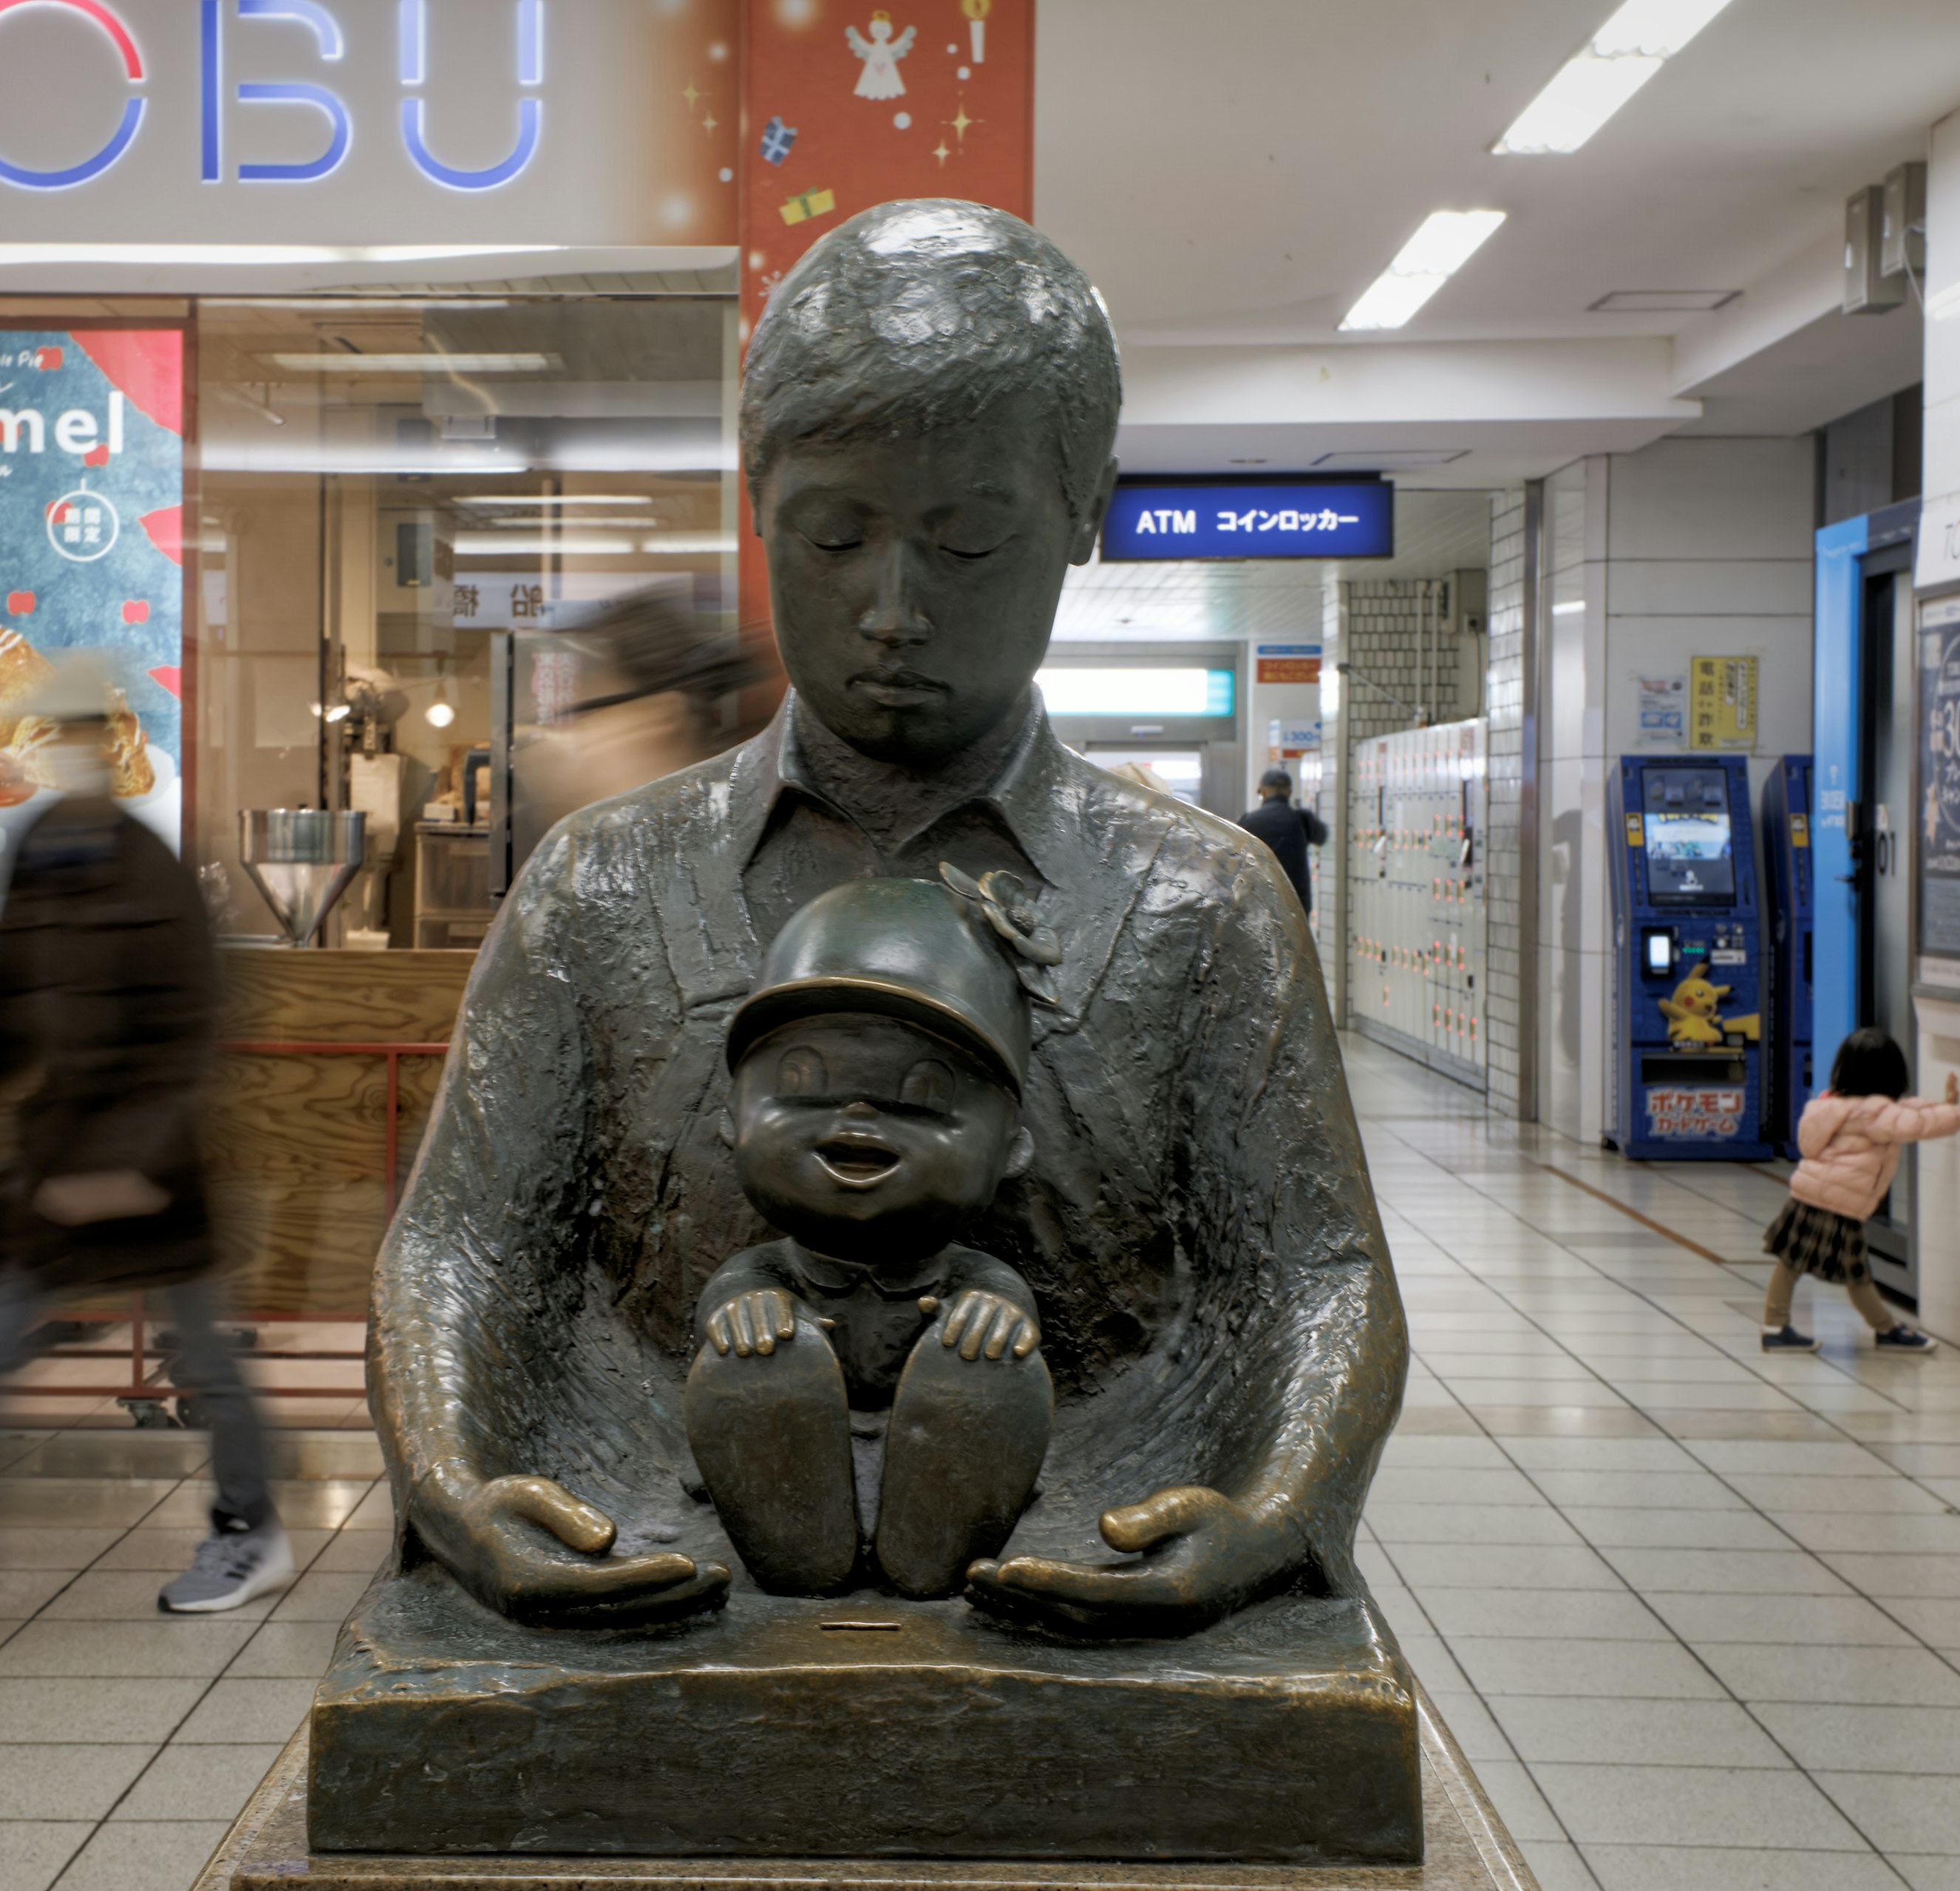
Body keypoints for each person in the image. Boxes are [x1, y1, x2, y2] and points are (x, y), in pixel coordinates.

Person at [370, 200, 1403, 1639]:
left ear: (1084, 516)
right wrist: (450, 1475)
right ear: (757, 495)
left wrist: (1283, 1506)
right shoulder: (600, 882)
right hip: (650, 1516)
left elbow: (1315, 1271)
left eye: (970, 543)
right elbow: (463, 1245)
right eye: (835, 535)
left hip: (1096, 1511)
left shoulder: (1205, 899)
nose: (893, 608)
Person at [0, 661, 282, 1668]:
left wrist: (124, 1162)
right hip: (53, 1175)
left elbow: (191, 1030)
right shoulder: (39, 854)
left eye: (77, 734)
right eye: (46, 734)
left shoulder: (151, 868)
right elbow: (0, 1002)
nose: (59, 751)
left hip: (150, 1183)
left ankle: (251, 1527)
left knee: (202, 1358)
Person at [687, 875, 1051, 1600]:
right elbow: (732, 1298)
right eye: (801, 1082)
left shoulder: (968, 1274)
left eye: (922, 1095)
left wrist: (997, 1317)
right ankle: (792, 1537)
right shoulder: (767, 1271)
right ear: (731, 1117)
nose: (855, 1115)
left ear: (1013, 1146)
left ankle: (941, 1541)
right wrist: (743, 1313)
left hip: (930, 1430)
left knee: (990, 1363)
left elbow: (1005, 1304)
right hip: (797, 1431)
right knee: (756, 1357)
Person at [1760, 1026, 1960, 1354]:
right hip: (1837, 1204)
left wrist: (1945, 1105)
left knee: (1800, 1264)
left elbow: (1908, 1111)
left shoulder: (1835, 1103)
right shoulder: (1874, 1114)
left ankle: (1779, 1326)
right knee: (1851, 1272)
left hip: (1814, 1196)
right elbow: (1916, 1124)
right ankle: (1883, 1330)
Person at [1238, 768, 1327, 915]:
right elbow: (1322, 837)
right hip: (1296, 903)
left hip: (1260, 901)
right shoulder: (1302, 819)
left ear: (1263, 792)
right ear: (1289, 793)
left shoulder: (1248, 821)